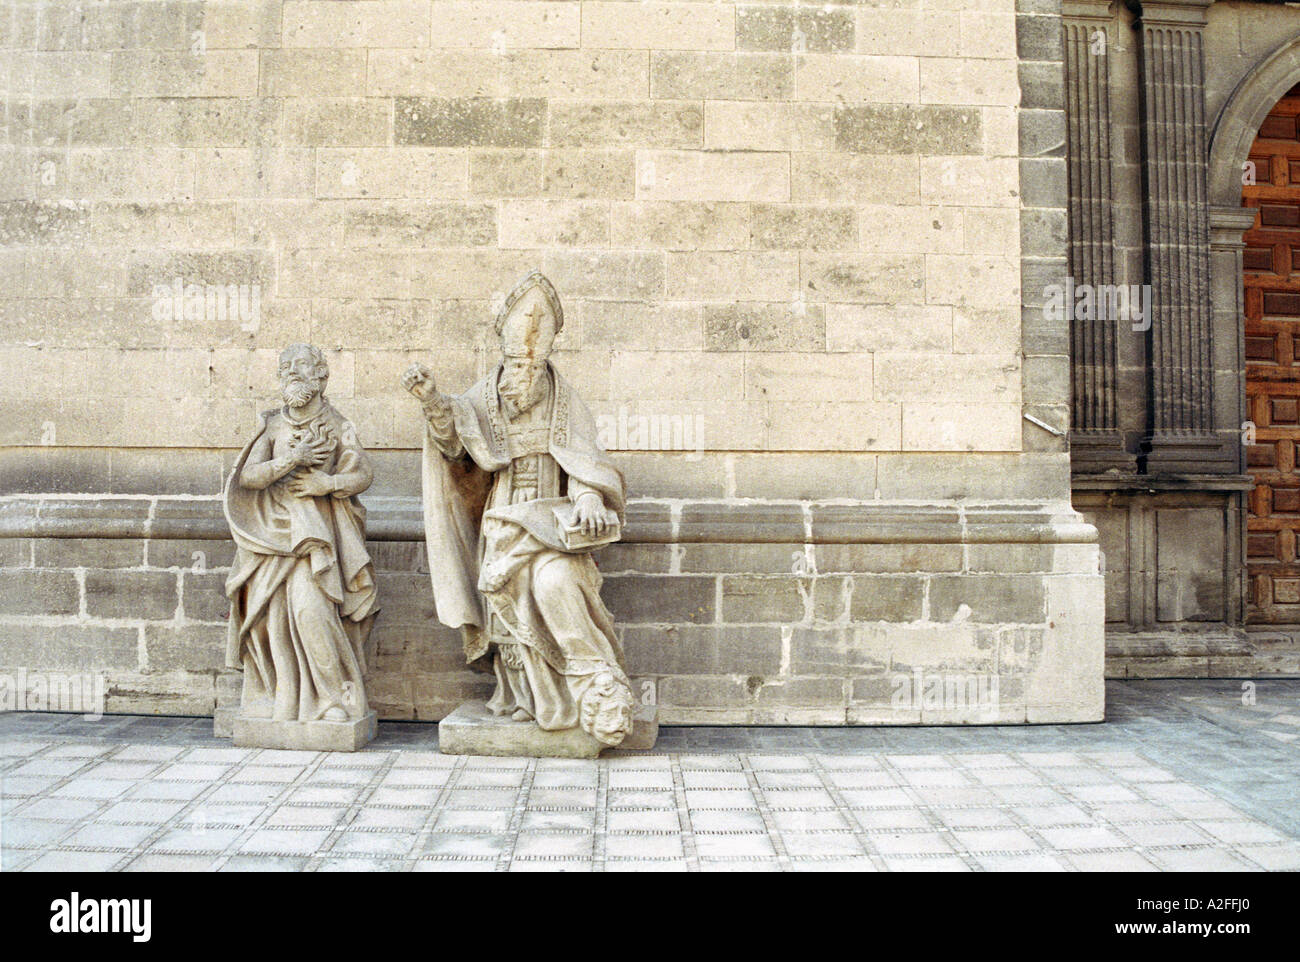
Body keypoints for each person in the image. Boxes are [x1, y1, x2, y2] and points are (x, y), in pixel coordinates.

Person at [404, 271, 635, 747]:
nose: (522, 372)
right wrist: (431, 402)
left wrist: (589, 496)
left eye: (531, 362)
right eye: (514, 361)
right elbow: (454, 447)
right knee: (505, 604)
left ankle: (581, 690)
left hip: (552, 526)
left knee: (553, 583)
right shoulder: (485, 400)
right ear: (502, 356)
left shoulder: (567, 403)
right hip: (503, 519)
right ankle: (523, 699)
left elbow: (588, 463)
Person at [224, 343, 377, 724]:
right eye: (285, 367)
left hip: (315, 539)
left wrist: (328, 483)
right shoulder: (272, 425)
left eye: (302, 365)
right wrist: (290, 460)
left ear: (321, 375)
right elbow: (247, 477)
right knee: (267, 620)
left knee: (312, 613)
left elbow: (363, 474)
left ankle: (332, 700)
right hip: (268, 539)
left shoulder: (339, 425)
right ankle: (279, 698)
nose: (292, 372)